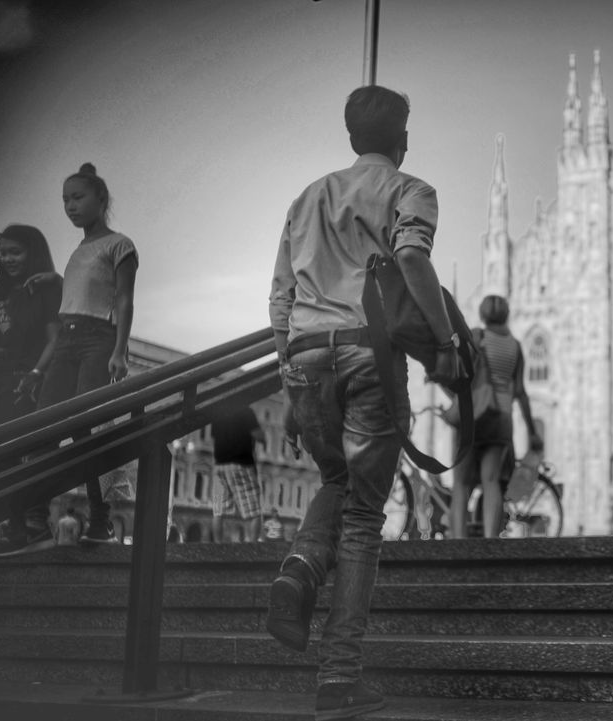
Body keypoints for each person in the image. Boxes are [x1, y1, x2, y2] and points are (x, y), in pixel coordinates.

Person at [266, 85, 461, 721]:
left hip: (306, 356)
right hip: (367, 357)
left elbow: (280, 297)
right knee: (361, 519)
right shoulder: (411, 190)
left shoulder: (306, 196)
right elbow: (410, 257)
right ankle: (341, 675)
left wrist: (290, 372)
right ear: (402, 138)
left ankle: (298, 570)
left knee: (334, 479)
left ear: (351, 138)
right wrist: (445, 340)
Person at [35, 163, 138, 544]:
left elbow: (123, 299)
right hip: (66, 339)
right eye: (65, 199)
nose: (70, 206)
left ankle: (100, 518)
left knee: (85, 429)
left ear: (101, 199)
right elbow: (81, 292)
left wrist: (120, 350)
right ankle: (33, 519)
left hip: (99, 339)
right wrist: (54, 280)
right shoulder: (79, 249)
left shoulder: (120, 244)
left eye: (77, 197)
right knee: (43, 425)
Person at [0, 224, 62, 556]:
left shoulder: (42, 289)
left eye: (17, 252)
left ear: (33, 252)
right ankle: (12, 525)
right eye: (4, 252)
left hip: (19, 375)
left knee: (9, 450)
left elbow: (55, 339)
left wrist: (35, 373)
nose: (9, 258)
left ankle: (28, 526)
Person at [449, 295, 543, 539]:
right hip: (501, 418)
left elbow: (458, 375)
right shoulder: (515, 346)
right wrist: (532, 430)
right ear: (506, 315)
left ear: (482, 315)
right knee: (491, 481)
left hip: (473, 415)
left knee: (461, 484)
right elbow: (520, 392)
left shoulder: (476, 337)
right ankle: (490, 544)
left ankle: (458, 544)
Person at [209, 403, 266, 543]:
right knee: (254, 511)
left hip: (220, 465)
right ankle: (252, 546)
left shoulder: (218, 413)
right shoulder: (245, 411)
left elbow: (214, 437)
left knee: (218, 511)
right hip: (241, 463)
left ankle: (217, 546)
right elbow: (259, 436)